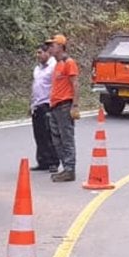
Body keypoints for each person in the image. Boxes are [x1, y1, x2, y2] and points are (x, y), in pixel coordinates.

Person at [46, 34, 80, 182]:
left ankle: (70, 169)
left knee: (66, 139)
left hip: (64, 105)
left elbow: (75, 84)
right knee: (56, 139)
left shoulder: (68, 62)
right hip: (54, 106)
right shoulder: (57, 64)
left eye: (52, 45)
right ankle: (65, 167)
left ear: (60, 46)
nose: (50, 48)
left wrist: (75, 105)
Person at [29, 43, 57, 171]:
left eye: (40, 52)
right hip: (37, 104)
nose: (38, 55)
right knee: (38, 134)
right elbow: (36, 87)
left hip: (48, 104)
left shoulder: (53, 67)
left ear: (48, 53)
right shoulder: (37, 68)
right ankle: (42, 161)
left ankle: (53, 162)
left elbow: (56, 86)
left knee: (49, 134)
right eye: (37, 53)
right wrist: (32, 104)